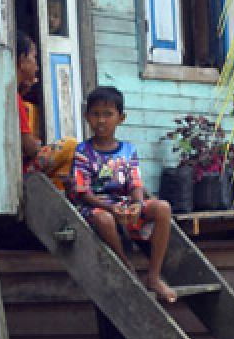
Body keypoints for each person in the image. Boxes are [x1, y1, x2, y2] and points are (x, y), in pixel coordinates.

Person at [69, 86, 177, 303]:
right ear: (86, 117)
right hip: (95, 207)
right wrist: (112, 208)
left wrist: (137, 204)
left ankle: (154, 276)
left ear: (121, 118)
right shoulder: (83, 151)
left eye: (108, 114)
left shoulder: (128, 150)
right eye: (95, 114)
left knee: (162, 207)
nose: (101, 121)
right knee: (104, 218)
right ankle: (128, 269)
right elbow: (83, 192)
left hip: (125, 204)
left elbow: (135, 184)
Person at [15, 31, 42, 170]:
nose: (37, 66)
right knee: (70, 146)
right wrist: (38, 146)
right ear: (22, 61)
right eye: (33, 57)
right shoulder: (14, 99)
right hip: (23, 171)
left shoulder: (16, 95)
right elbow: (29, 147)